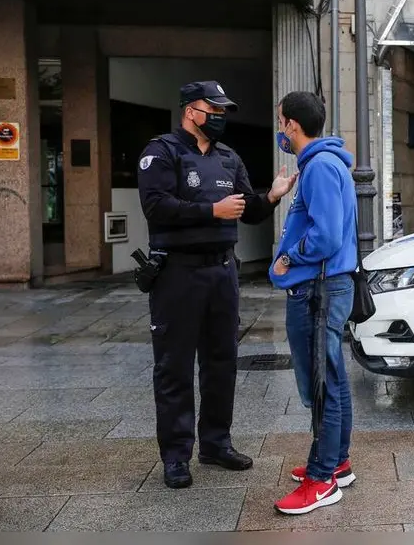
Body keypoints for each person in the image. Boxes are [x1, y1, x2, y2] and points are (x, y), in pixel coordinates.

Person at [137, 80, 297, 489]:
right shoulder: (162, 152)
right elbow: (156, 206)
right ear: (190, 111)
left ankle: (215, 443)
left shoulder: (228, 157)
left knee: (221, 362)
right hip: (177, 273)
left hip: (222, 272)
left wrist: (272, 197)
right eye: (214, 110)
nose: (220, 117)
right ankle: (176, 457)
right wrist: (212, 210)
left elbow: (246, 210)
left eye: (223, 111)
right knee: (174, 367)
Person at [268, 91, 358, 515]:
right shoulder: (324, 163)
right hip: (325, 287)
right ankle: (336, 462)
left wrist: (289, 257)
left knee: (323, 384)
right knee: (332, 378)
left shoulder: (320, 166)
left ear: (292, 124)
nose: (279, 129)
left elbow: (326, 236)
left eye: (280, 121)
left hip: (317, 290)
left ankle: (322, 480)